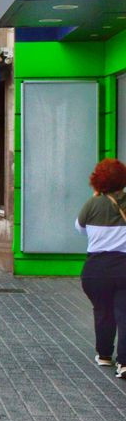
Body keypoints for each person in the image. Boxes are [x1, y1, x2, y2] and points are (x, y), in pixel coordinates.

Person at [76, 157, 126, 376]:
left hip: (96, 269)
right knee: (124, 313)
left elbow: (80, 229)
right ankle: (124, 363)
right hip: (123, 266)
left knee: (103, 310)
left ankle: (104, 355)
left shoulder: (91, 204)